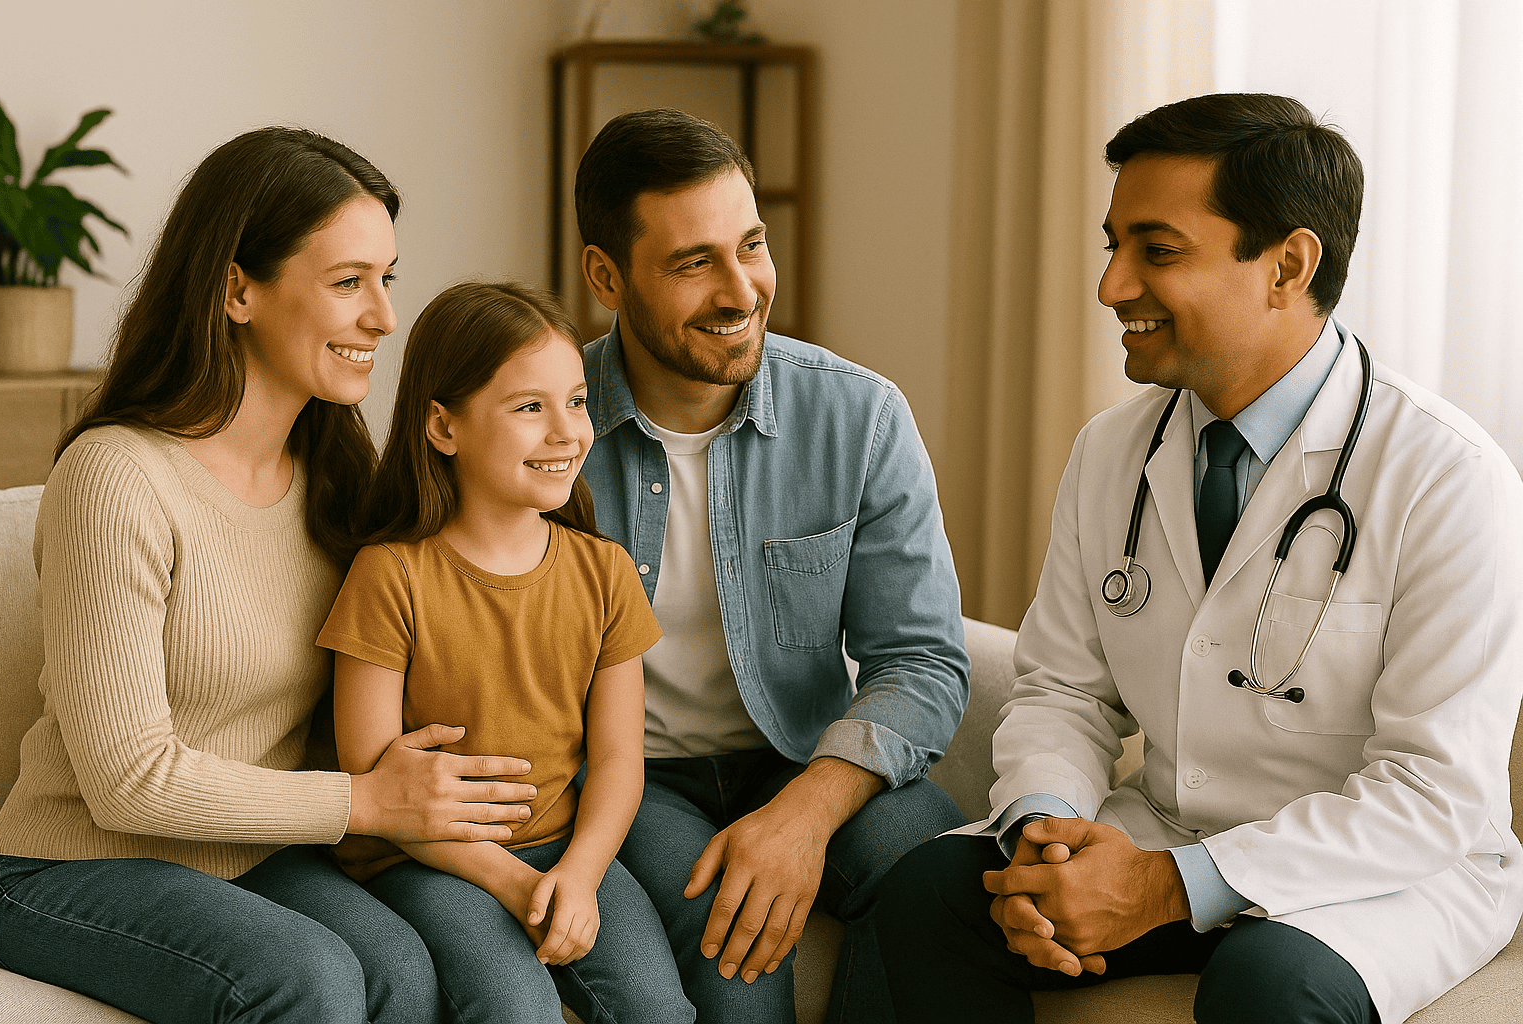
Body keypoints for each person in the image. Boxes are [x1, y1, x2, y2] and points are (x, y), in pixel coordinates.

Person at [874, 92, 1523, 1024]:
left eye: (1157, 251)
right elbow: (1063, 690)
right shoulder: (1113, 451)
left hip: (1385, 874)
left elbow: (1432, 793)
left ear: (1287, 265)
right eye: (1113, 245)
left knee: (1269, 986)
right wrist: (1047, 831)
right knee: (937, 892)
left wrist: (1170, 889)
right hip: (1165, 830)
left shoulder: (1446, 477)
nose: (1110, 286)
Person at [0, 128, 534, 1024]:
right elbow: (125, 777)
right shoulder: (116, 477)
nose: (383, 319)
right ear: (237, 288)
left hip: (249, 851)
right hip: (73, 865)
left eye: (385, 280)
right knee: (306, 975)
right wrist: (364, 802)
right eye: (347, 282)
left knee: (401, 967)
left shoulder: (335, 479)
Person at [571, 107, 971, 1024]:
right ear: (606, 275)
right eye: (691, 262)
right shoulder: (543, 429)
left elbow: (922, 663)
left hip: (805, 753)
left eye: (750, 245)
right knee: (737, 949)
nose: (741, 289)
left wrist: (807, 812)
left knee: (945, 881)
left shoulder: (858, 416)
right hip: (630, 776)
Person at [318, 281, 694, 1024]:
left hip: (565, 850)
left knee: (658, 1010)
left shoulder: (606, 573)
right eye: (530, 407)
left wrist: (581, 875)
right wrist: (512, 884)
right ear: (444, 427)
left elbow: (619, 759)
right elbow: (372, 780)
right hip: (426, 859)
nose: (566, 432)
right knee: (513, 1008)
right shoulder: (390, 575)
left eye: (577, 401)